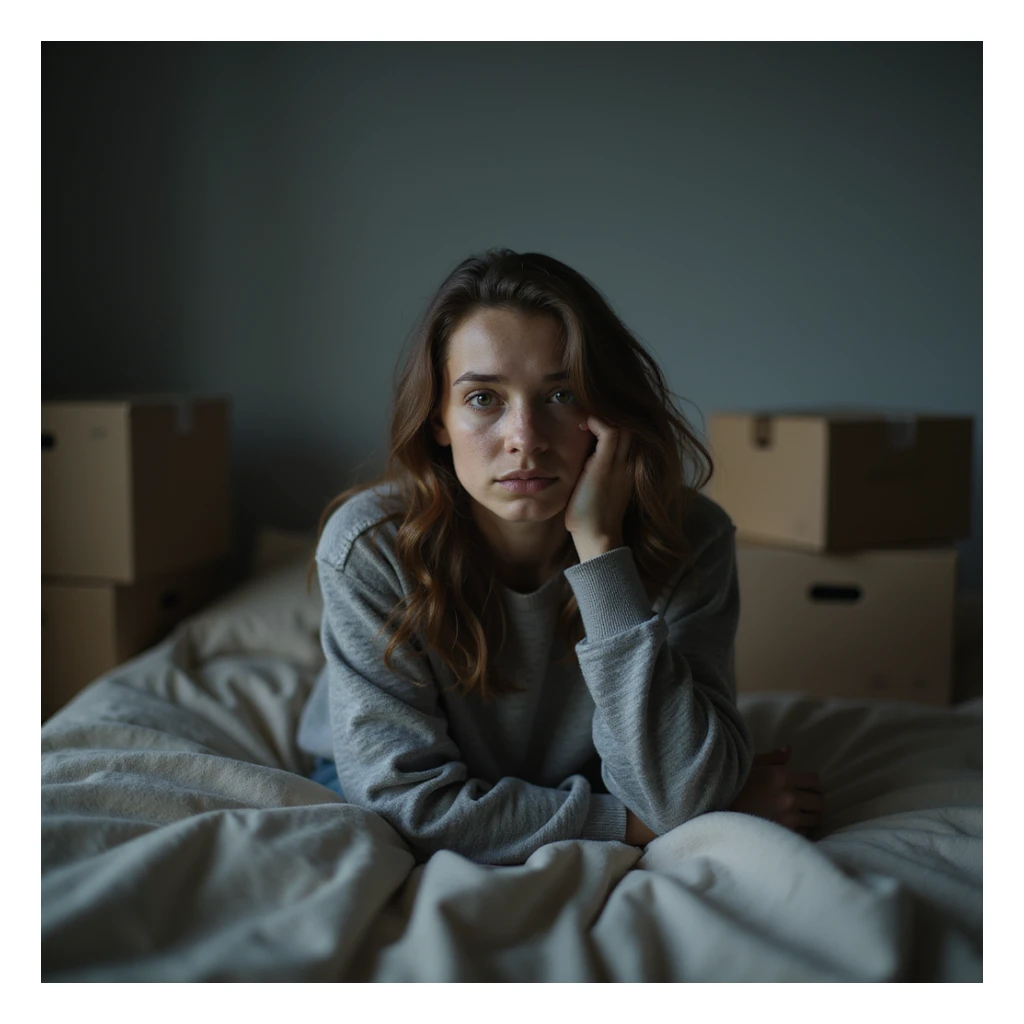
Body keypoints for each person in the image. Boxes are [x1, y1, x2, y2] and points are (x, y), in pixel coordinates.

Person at [296, 248, 825, 865]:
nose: (524, 436)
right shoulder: (370, 548)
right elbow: (408, 805)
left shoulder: (691, 537)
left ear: (609, 415)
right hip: (372, 779)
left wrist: (602, 553)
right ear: (438, 418)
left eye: (561, 394)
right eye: (484, 399)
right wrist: (637, 825)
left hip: (600, 778)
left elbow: (682, 789)